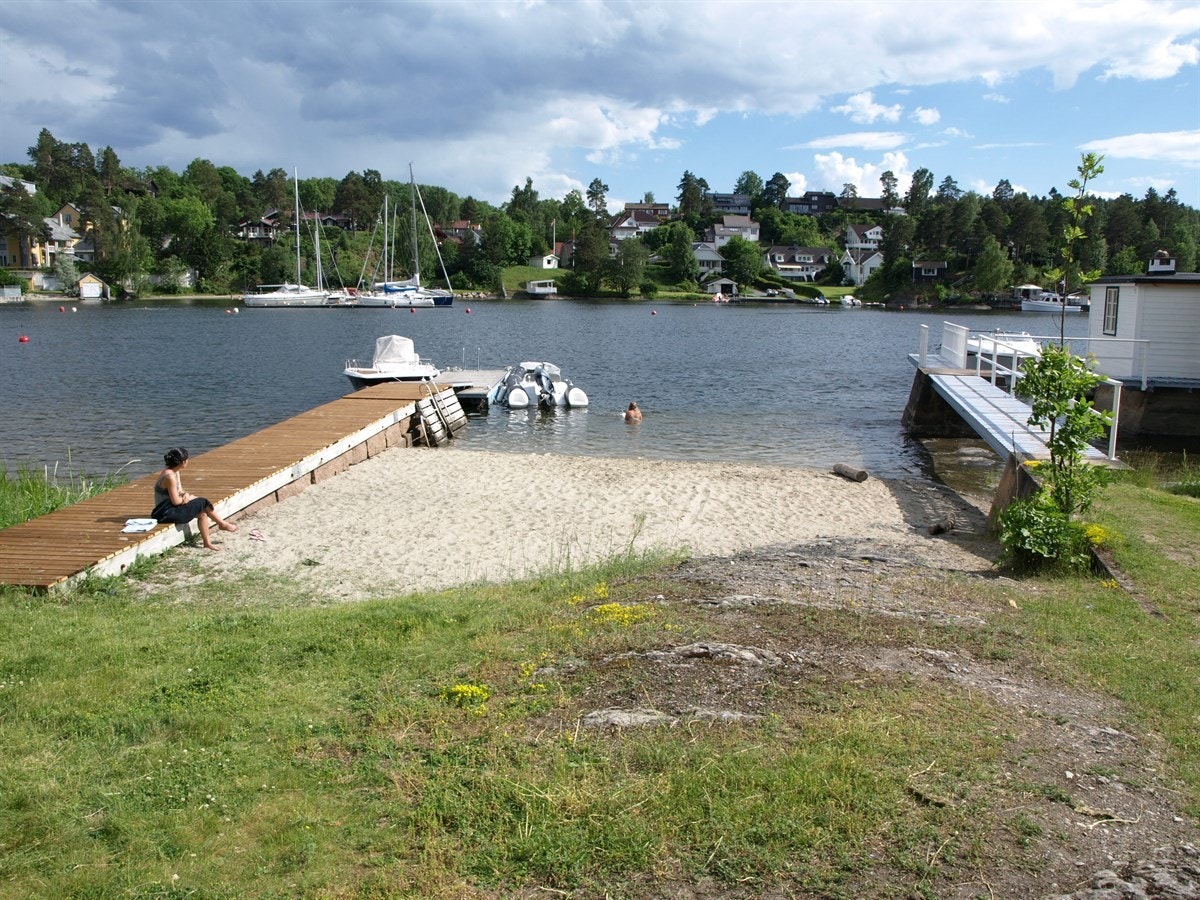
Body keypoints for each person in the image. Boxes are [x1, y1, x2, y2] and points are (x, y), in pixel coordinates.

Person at [151, 447, 238, 551]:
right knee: (203, 502)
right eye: (187, 459)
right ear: (183, 462)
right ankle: (222, 524)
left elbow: (180, 491)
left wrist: (186, 494)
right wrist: (187, 499)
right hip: (165, 513)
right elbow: (176, 501)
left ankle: (207, 542)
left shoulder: (174, 471)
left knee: (202, 513)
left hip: (172, 508)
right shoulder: (169, 476)